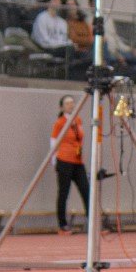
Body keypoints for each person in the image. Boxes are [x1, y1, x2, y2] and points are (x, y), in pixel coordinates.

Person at [51, 94, 88, 234]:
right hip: (64, 160)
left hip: (78, 161)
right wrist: (54, 161)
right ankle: (62, 225)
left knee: (86, 191)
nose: (71, 105)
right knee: (63, 193)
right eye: (67, 103)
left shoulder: (77, 120)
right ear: (62, 107)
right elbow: (53, 141)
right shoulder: (60, 122)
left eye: (72, 103)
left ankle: (91, 222)